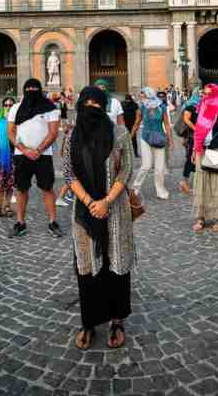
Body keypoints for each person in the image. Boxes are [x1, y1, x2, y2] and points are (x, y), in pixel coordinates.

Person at [61, 86, 135, 350]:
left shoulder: (120, 133)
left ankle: (117, 320)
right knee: (88, 268)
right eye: (87, 103)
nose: (91, 107)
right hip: (85, 212)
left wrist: (106, 202)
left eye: (96, 103)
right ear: (80, 105)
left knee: (116, 265)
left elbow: (126, 171)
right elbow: (69, 175)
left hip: (114, 209)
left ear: (104, 107)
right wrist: (92, 202)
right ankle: (89, 321)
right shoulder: (71, 137)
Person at [7, 78, 62, 238]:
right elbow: (10, 132)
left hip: (43, 155)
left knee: (47, 188)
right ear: (24, 91)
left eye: (34, 88)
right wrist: (24, 150)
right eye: (28, 89)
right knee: (21, 189)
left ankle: (53, 222)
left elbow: (53, 133)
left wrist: (38, 150)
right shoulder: (16, 108)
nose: (31, 91)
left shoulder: (50, 108)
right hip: (21, 155)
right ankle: (20, 222)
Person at [191, 83, 218, 232]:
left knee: (217, 184)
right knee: (201, 183)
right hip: (201, 150)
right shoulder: (200, 108)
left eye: (208, 94)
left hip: (217, 150)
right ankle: (201, 217)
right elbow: (197, 131)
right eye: (203, 93)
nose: (204, 96)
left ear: (215, 94)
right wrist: (194, 150)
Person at [131, 86, 172, 200]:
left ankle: (160, 191)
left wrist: (170, 139)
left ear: (149, 94)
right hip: (146, 138)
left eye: (142, 94)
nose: (141, 96)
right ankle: (134, 189)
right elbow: (137, 123)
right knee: (146, 166)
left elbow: (167, 124)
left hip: (159, 139)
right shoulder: (142, 107)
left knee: (159, 169)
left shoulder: (162, 107)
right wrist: (130, 137)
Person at [0, 97, 17, 219]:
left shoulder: (18, 120)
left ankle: (7, 206)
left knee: (10, 183)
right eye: (6, 105)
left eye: (11, 105)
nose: (8, 107)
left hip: (12, 154)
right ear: (3, 106)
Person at [177, 81, 202, 195]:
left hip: (201, 136)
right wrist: (195, 128)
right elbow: (186, 119)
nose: (201, 95)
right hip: (192, 136)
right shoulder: (190, 105)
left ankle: (198, 182)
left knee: (198, 160)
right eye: (200, 93)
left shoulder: (202, 105)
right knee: (190, 159)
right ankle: (184, 182)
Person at [121, 93, 140, 158]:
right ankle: (135, 153)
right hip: (130, 123)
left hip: (127, 123)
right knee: (133, 139)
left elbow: (121, 114)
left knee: (127, 139)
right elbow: (137, 113)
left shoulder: (122, 103)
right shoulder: (134, 104)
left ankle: (132, 153)